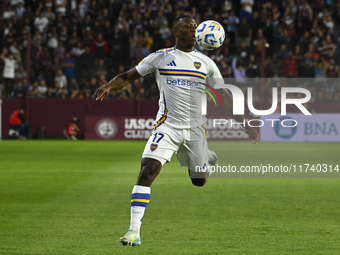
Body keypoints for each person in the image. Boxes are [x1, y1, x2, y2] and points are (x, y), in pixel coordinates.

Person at [95, 15, 259, 247]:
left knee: (199, 181)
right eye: (188, 27)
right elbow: (128, 76)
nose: (194, 30)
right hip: (167, 126)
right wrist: (109, 85)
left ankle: (207, 157)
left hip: (195, 130)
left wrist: (245, 123)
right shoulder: (161, 57)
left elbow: (224, 96)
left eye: (195, 27)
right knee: (147, 170)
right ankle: (134, 230)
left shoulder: (206, 63)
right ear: (176, 32)